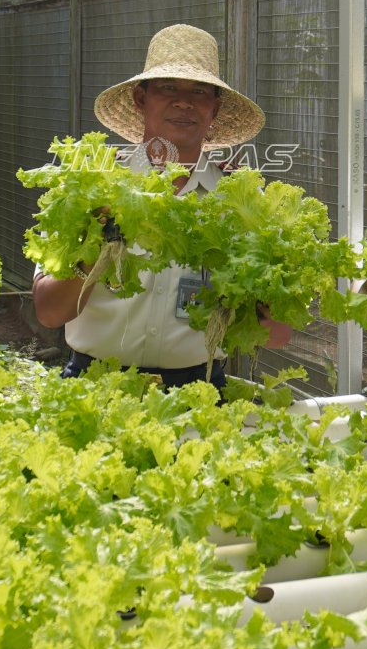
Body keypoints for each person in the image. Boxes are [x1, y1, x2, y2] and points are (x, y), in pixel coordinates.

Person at [31, 23, 287, 388]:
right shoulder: (91, 186)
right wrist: (96, 244)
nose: (184, 101)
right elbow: (49, 312)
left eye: (199, 91)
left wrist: (272, 296)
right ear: (140, 99)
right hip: (95, 385)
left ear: (214, 108)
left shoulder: (242, 200)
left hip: (199, 392)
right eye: (168, 87)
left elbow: (276, 335)